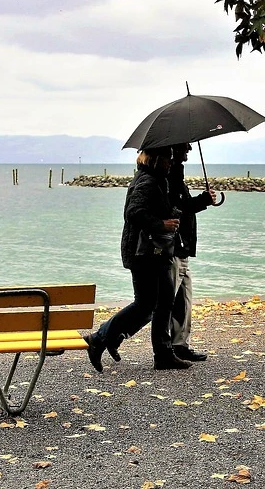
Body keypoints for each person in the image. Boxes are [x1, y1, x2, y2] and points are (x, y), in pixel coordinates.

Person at [83, 146, 193, 371]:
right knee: (147, 303)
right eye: (167, 158)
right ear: (156, 160)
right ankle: (100, 338)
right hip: (144, 252)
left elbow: (172, 204)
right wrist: (160, 224)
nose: (171, 162)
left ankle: (161, 353)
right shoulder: (148, 181)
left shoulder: (157, 178)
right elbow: (133, 212)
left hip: (155, 251)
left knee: (161, 302)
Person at [166, 143, 216, 362]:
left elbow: (182, 205)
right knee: (165, 301)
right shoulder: (170, 175)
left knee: (183, 298)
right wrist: (203, 200)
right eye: (185, 148)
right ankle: (108, 336)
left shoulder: (175, 174)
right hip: (176, 245)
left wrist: (202, 200)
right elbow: (179, 207)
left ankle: (179, 343)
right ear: (175, 150)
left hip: (182, 245)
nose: (189, 152)